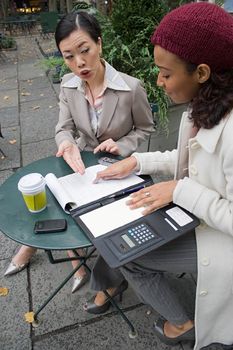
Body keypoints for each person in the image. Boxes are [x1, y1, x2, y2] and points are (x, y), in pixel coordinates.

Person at [82, 3, 233, 349]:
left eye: (165, 73)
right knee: (116, 229)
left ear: (202, 72)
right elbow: (188, 159)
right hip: (199, 214)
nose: (158, 81)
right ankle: (111, 282)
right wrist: (136, 163)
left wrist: (180, 190)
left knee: (130, 254)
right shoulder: (206, 103)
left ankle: (182, 325)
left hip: (221, 237)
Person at [4, 11, 154, 294]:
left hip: (119, 167)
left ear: (99, 43)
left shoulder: (130, 88)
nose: (79, 63)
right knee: (57, 193)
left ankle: (65, 258)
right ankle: (66, 257)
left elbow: (146, 128)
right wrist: (67, 143)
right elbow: (63, 128)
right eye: (69, 56)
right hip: (82, 160)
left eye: (84, 50)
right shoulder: (68, 86)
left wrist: (121, 145)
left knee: (79, 206)